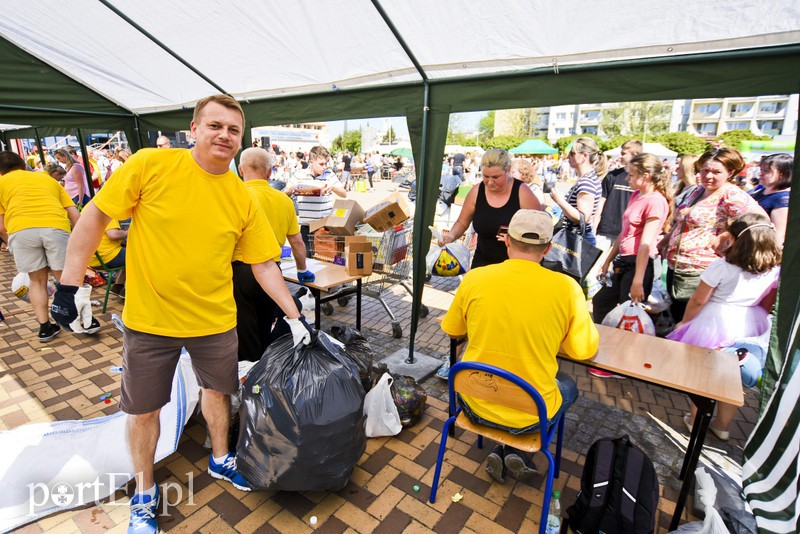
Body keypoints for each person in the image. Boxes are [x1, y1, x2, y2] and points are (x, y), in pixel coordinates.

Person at [50, 95, 310, 534]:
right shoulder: (150, 165)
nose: (224, 135)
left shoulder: (242, 197)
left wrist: (294, 315)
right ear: (193, 129)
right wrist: (70, 283)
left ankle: (221, 459)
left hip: (215, 320)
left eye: (233, 130)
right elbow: (95, 216)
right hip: (151, 320)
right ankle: (144, 492)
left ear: (240, 140)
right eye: (215, 125)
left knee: (218, 392)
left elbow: (264, 263)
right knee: (144, 410)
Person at [441, 209, 598, 482]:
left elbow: (454, 330)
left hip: (473, 404)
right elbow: (583, 351)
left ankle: (506, 449)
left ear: (507, 241)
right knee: (567, 385)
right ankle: (516, 450)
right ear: (548, 248)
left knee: (508, 381)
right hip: (531, 415)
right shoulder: (568, 288)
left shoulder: (475, 278)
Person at [670, 213, 781, 440]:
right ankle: (722, 426)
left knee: (705, 374)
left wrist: (686, 322)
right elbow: (767, 303)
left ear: (737, 239)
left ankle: (695, 420)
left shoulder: (722, 266)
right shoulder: (772, 269)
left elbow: (698, 300)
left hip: (715, 321)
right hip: (750, 321)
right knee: (734, 378)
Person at [659, 147, 765, 322]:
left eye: (716, 172)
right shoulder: (697, 190)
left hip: (702, 271)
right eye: (705, 170)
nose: (708, 176)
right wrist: (666, 240)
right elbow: (683, 221)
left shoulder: (731, 194)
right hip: (676, 267)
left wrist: (728, 235)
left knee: (691, 322)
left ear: (730, 172)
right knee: (678, 317)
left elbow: (760, 222)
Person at [590, 154, 672, 375]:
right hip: (624, 261)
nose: (627, 178)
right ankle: (606, 351)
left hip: (639, 264)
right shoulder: (636, 195)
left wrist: (638, 280)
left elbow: (646, 244)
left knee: (628, 316)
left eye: (631, 175)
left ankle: (621, 364)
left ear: (646, 176)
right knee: (601, 301)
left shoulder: (655, 202)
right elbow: (624, 233)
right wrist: (607, 259)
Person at [233, 147, 315, 362]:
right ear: (270, 172)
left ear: (241, 170)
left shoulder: (235, 195)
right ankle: (266, 366)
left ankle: (250, 372)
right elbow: (297, 242)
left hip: (239, 271)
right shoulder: (284, 200)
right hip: (272, 271)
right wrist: (302, 269)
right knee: (264, 324)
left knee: (245, 330)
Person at [0, 151, 82, 342]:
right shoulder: (47, 179)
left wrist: (10, 243)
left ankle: (45, 327)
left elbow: (1, 227)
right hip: (55, 227)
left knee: (36, 281)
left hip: (21, 231)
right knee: (65, 279)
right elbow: (74, 214)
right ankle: (80, 319)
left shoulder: (1, 183)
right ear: (24, 166)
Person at [439, 148, 541, 269]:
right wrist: (450, 236)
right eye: (486, 176)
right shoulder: (476, 192)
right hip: (482, 262)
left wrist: (516, 239)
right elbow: (462, 222)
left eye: (496, 177)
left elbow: (539, 228)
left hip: (515, 265)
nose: (490, 182)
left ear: (508, 170)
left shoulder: (522, 192)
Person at [549, 137, 609, 246]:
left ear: (585, 156)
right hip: (577, 238)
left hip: (577, 240)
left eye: (572, 154)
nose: (568, 157)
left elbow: (582, 218)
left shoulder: (587, 182)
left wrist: (559, 200)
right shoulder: (588, 178)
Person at [594, 140, 642, 250]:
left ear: (635, 154)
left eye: (623, 153)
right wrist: (595, 225)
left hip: (628, 232)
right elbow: (601, 202)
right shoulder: (612, 175)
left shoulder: (640, 179)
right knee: (596, 259)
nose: (620, 156)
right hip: (605, 230)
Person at [284, 145, 346, 223]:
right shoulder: (299, 175)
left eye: (326, 163)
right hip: (306, 224)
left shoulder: (329, 174)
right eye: (321, 164)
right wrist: (293, 187)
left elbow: (344, 194)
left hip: (324, 224)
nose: (324, 167)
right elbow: (285, 194)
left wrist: (333, 187)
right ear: (311, 162)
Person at [749, 153, 791, 246]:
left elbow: (779, 234)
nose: (760, 174)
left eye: (767, 171)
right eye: (761, 170)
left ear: (782, 174)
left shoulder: (783, 199)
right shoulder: (762, 190)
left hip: (763, 246)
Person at [88, 219, 128, 298]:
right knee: (138, 254)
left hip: (93, 258)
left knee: (127, 254)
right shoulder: (108, 214)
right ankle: (129, 290)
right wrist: (129, 231)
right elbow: (113, 235)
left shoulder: (86, 212)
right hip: (107, 257)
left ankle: (118, 286)